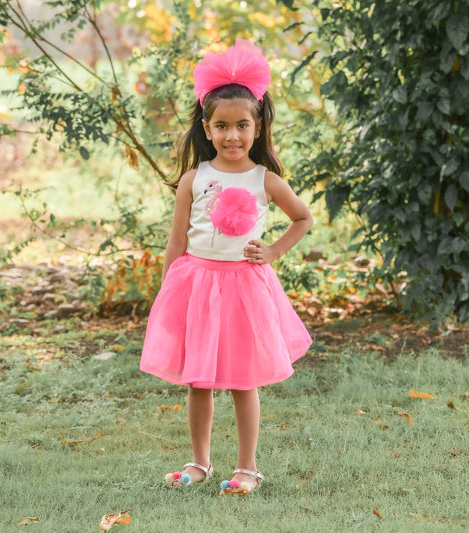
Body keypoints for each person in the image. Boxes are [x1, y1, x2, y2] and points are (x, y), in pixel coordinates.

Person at [140, 39, 313, 495]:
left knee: (241, 381)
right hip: (196, 287)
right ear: (206, 126)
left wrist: (273, 251)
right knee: (198, 380)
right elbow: (177, 242)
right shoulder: (194, 180)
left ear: (257, 127)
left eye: (242, 125)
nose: (232, 135)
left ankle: (247, 467)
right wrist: (166, 298)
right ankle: (199, 462)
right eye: (222, 126)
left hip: (244, 289)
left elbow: (303, 218)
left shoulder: (265, 179)